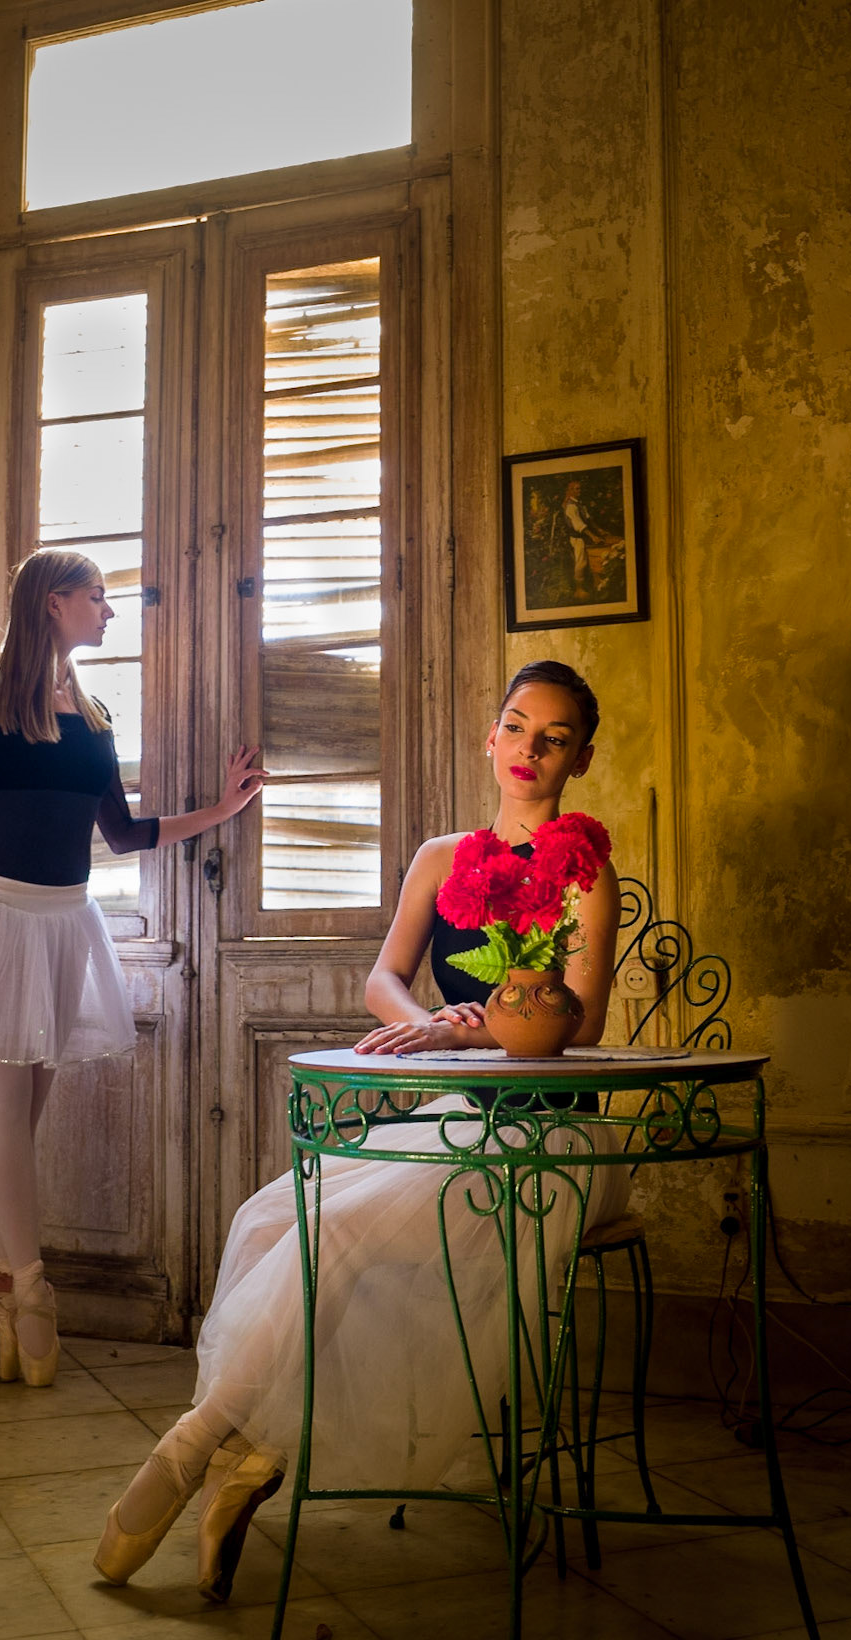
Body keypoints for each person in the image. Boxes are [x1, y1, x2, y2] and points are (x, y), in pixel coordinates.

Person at [92, 660, 629, 1603]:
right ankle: (248, 1456)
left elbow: (579, 1024)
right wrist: (425, 1026)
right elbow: (384, 979)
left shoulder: (587, 868)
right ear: (489, 736)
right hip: (456, 1113)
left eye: (553, 739)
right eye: (514, 726)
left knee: (334, 1231)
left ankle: (193, 1448)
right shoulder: (442, 857)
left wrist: (474, 1029)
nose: (527, 750)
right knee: (269, 1221)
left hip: (550, 1138)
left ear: (578, 759)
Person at [0, 547, 266, 1387]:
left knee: (24, 1112)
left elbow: (124, 836)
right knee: (3, 1103)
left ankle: (3, 1279)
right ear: (52, 603)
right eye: (97, 596)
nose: (109, 610)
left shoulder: (96, 716)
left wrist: (220, 808)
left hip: (67, 924)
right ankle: (31, 1295)